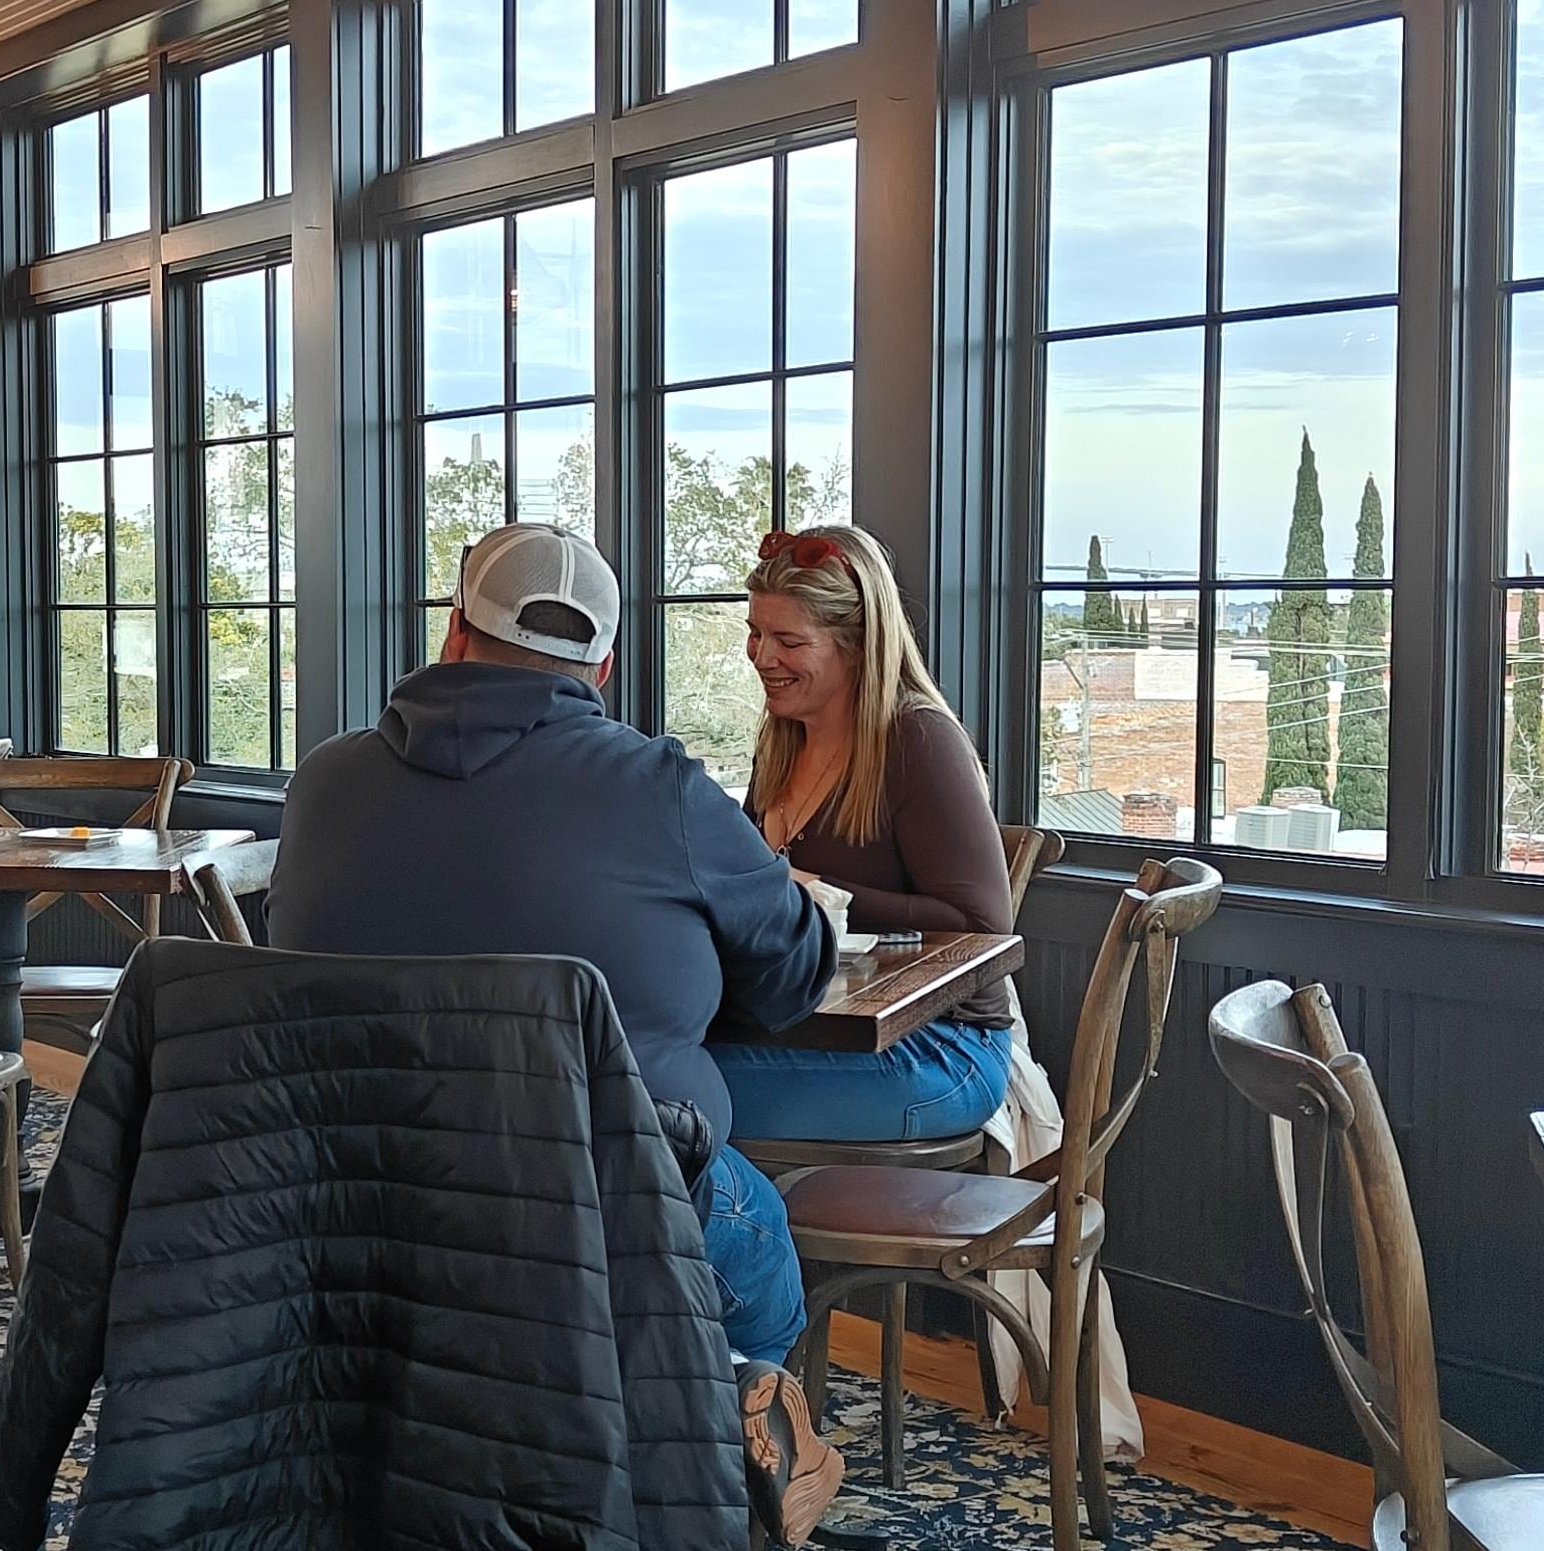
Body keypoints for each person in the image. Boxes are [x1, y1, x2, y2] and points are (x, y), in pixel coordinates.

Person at [275, 522, 833, 1368]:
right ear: (603, 670)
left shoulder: (322, 778)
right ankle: (715, 1462)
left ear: (455, 630)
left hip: (347, 1206)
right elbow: (793, 978)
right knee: (762, 1259)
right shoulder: (664, 789)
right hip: (603, 1215)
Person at [710, 525, 1019, 1141]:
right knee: (639, 1075)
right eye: (755, 633)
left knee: (652, 1094)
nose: (761, 657)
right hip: (814, 1029)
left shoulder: (918, 739)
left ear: (856, 646)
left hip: (937, 1050)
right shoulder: (781, 739)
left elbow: (984, 923)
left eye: (788, 640)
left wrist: (808, 888)